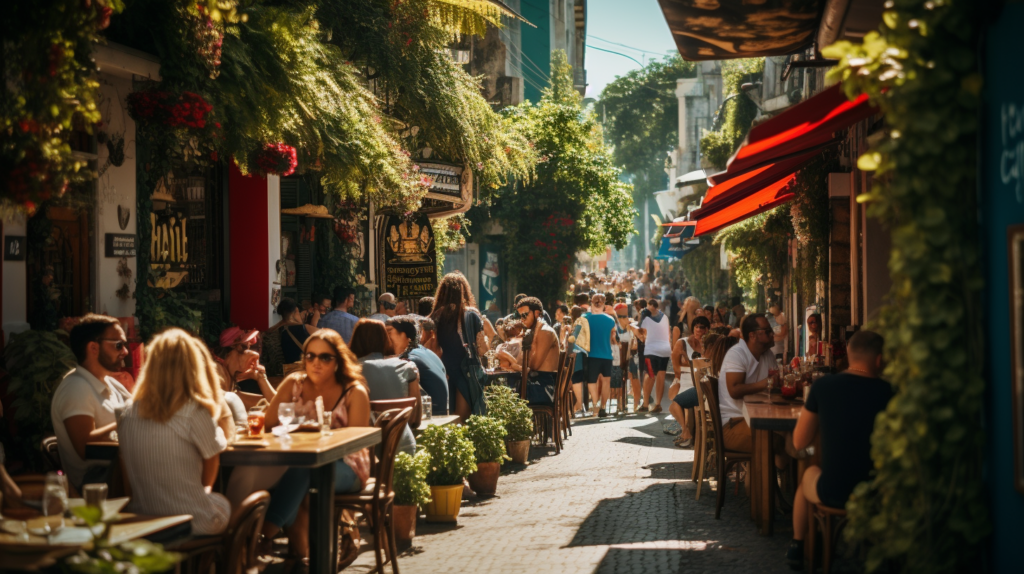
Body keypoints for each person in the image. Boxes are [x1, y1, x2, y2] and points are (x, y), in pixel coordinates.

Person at [261, 330, 372, 562]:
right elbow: (268, 424)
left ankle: (264, 535)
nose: (315, 363)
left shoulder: (354, 392)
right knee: (299, 476)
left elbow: (357, 443)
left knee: (307, 468)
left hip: (349, 466)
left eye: (324, 357)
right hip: (296, 460)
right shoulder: (294, 384)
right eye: (310, 356)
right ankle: (303, 558)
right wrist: (298, 430)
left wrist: (319, 433)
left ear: (338, 360)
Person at [787, 330, 893, 569]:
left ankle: (797, 545)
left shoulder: (823, 386)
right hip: (880, 493)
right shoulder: (889, 392)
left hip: (834, 491)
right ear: (879, 359)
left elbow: (799, 442)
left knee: (807, 477)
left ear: (847, 354)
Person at [118, 328, 236, 535]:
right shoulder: (194, 410)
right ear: (193, 366)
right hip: (186, 521)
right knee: (229, 504)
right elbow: (212, 460)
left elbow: (126, 473)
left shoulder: (127, 413)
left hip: (142, 519)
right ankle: (208, 564)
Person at [51, 314, 132, 492]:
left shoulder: (110, 382)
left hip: (123, 474)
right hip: (99, 486)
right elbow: (85, 447)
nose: (125, 351)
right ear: (94, 348)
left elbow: (140, 410)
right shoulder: (76, 387)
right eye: (119, 345)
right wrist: (127, 420)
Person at [349, 319, 418, 455]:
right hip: (404, 446)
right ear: (385, 339)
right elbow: (415, 418)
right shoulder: (406, 366)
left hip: (367, 452)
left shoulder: (349, 372)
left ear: (355, 340)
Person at [430, 272, 488, 422]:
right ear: (464, 291)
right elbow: (483, 350)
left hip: (442, 372)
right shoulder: (471, 315)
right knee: (462, 419)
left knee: (446, 418)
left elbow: (433, 349)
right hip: (465, 372)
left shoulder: (435, 316)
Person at [718, 314, 779, 453]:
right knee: (777, 441)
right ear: (753, 336)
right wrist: (766, 383)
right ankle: (763, 474)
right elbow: (734, 390)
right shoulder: (737, 354)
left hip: (761, 418)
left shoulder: (767, 354)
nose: (772, 334)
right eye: (768, 331)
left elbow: (776, 385)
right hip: (733, 423)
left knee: (794, 435)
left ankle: (779, 473)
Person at [387, 315, 449, 416]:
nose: (385, 338)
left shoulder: (410, 361)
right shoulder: (427, 352)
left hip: (429, 418)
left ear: (405, 335)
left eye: (389, 332)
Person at [668, 316, 711, 448]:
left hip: (703, 378)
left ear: (707, 329)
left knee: (687, 401)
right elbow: (676, 366)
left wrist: (689, 361)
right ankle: (686, 431)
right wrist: (679, 378)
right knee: (680, 403)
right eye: (696, 326)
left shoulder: (709, 344)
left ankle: (687, 433)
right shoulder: (682, 342)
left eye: (702, 327)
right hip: (685, 377)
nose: (698, 329)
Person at [216, 326, 276, 410]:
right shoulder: (217, 371)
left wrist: (261, 378)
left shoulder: (230, 381)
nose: (252, 354)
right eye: (246, 349)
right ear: (235, 348)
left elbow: (277, 405)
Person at [517, 297, 560, 405]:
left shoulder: (545, 332)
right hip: (538, 383)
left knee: (508, 391)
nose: (522, 319)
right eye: (520, 316)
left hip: (545, 386)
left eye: (525, 315)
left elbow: (534, 365)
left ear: (537, 313)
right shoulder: (534, 332)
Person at [634, 298, 671, 413]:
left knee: (649, 375)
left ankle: (645, 404)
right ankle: (658, 404)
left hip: (651, 350)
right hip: (665, 350)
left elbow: (640, 331)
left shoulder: (646, 318)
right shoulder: (664, 317)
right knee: (661, 375)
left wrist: (641, 317)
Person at [583, 294, 617, 417]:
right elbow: (614, 336)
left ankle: (595, 404)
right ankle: (603, 407)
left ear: (591, 302)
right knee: (606, 381)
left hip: (591, 354)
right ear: (604, 304)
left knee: (592, 381)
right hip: (607, 354)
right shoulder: (610, 320)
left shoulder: (586, 318)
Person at [272, 298, 319, 365]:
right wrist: (315, 320)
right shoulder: (305, 328)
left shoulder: (272, 331)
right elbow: (328, 337)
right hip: (301, 370)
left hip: (279, 372)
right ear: (295, 311)